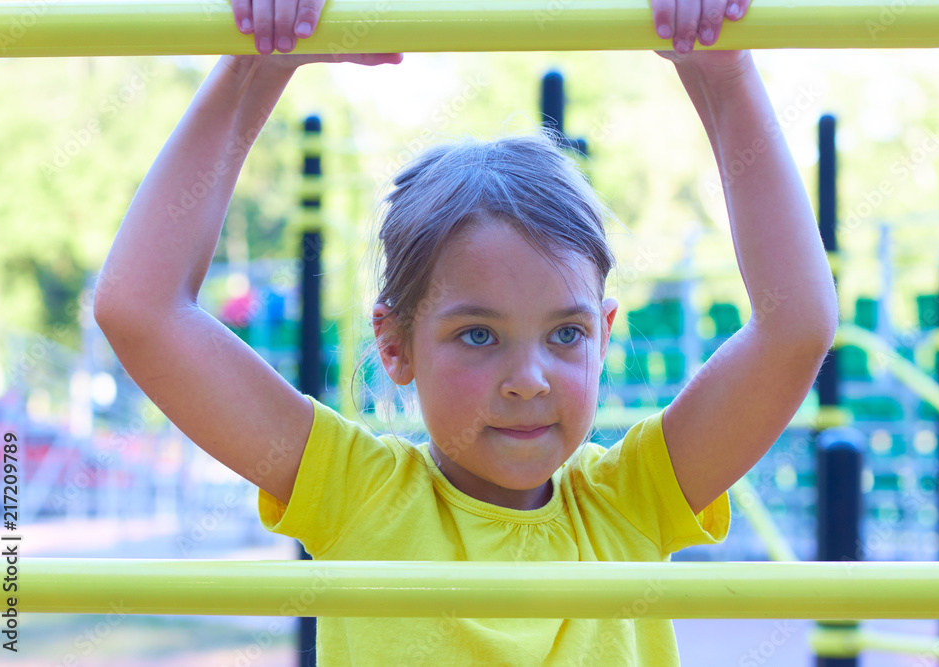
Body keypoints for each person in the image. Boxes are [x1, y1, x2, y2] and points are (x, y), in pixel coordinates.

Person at [93, 0, 838, 663]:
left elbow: (796, 327)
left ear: (605, 336)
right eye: (479, 335)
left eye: (567, 334)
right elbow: (140, 309)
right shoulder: (360, 496)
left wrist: (724, 73)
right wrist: (256, 67)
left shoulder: (630, 500)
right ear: (395, 344)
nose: (530, 377)